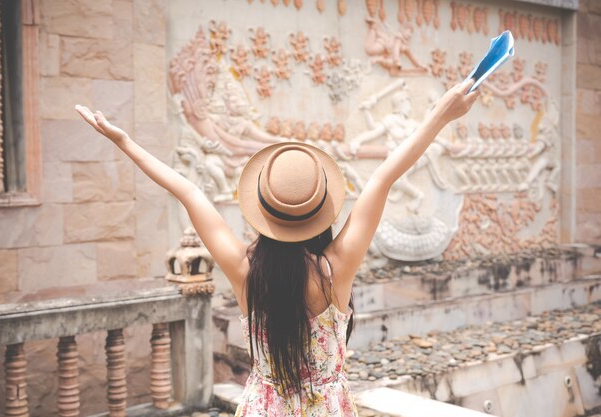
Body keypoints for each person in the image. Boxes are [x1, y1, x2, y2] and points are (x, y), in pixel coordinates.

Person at [75, 78, 479, 416]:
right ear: (322, 211)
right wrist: (441, 114)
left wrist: (125, 142)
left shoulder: (245, 270)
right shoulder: (334, 270)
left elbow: (189, 192)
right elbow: (384, 178)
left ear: (264, 212)